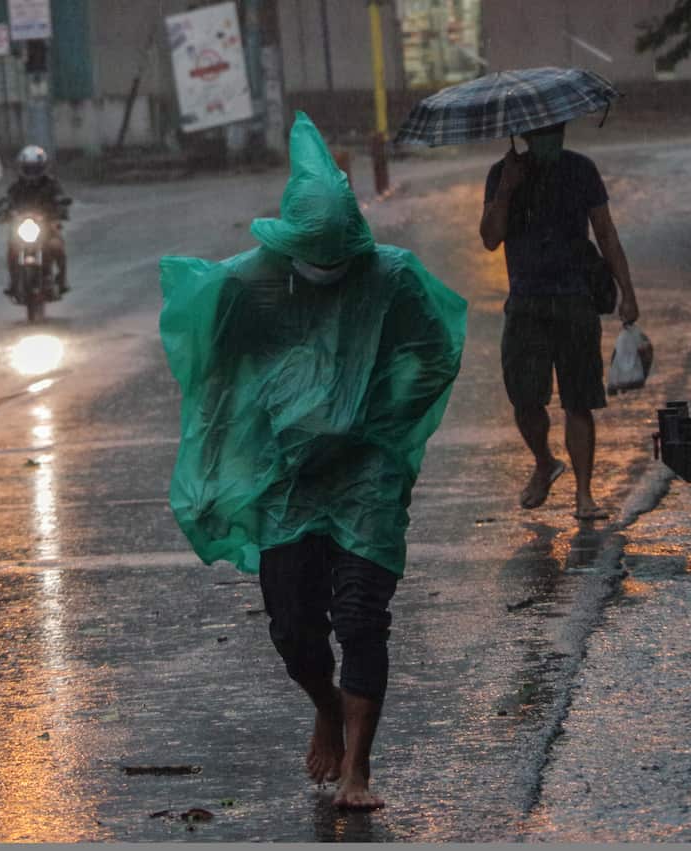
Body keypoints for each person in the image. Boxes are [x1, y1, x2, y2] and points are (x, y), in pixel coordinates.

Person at [159, 113, 466, 810]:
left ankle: (358, 769)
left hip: (366, 472)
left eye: (337, 260)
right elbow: (213, 381)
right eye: (314, 261)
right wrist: (210, 467)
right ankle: (325, 704)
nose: (327, 275)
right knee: (295, 629)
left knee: (359, 615)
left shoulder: (390, 278)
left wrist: (377, 414)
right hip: (287, 476)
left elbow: (436, 355)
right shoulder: (254, 285)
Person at [479, 122, 638, 520]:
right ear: (527, 135)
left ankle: (584, 495)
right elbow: (490, 238)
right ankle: (544, 462)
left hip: (575, 300)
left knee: (579, 400)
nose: (554, 139)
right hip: (526, 303)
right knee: (525, 399)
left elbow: (605, 232)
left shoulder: (580, 170)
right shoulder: (503, 173)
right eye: (545, 132)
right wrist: (507, 190)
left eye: (559, 131)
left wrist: (628, 292)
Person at [2, 145, 68, 296]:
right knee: (12, 248)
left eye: (35, 169)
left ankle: (62, 280)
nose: (32, 172)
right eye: (28, 168)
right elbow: (8, 200)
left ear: (43, 167)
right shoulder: (17, 186)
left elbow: (60, 198)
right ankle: (13, 281)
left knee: (57, 246)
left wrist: (60, 205)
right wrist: (5, 208)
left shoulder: (51, 184)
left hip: (46, 224)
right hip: (23, 224)